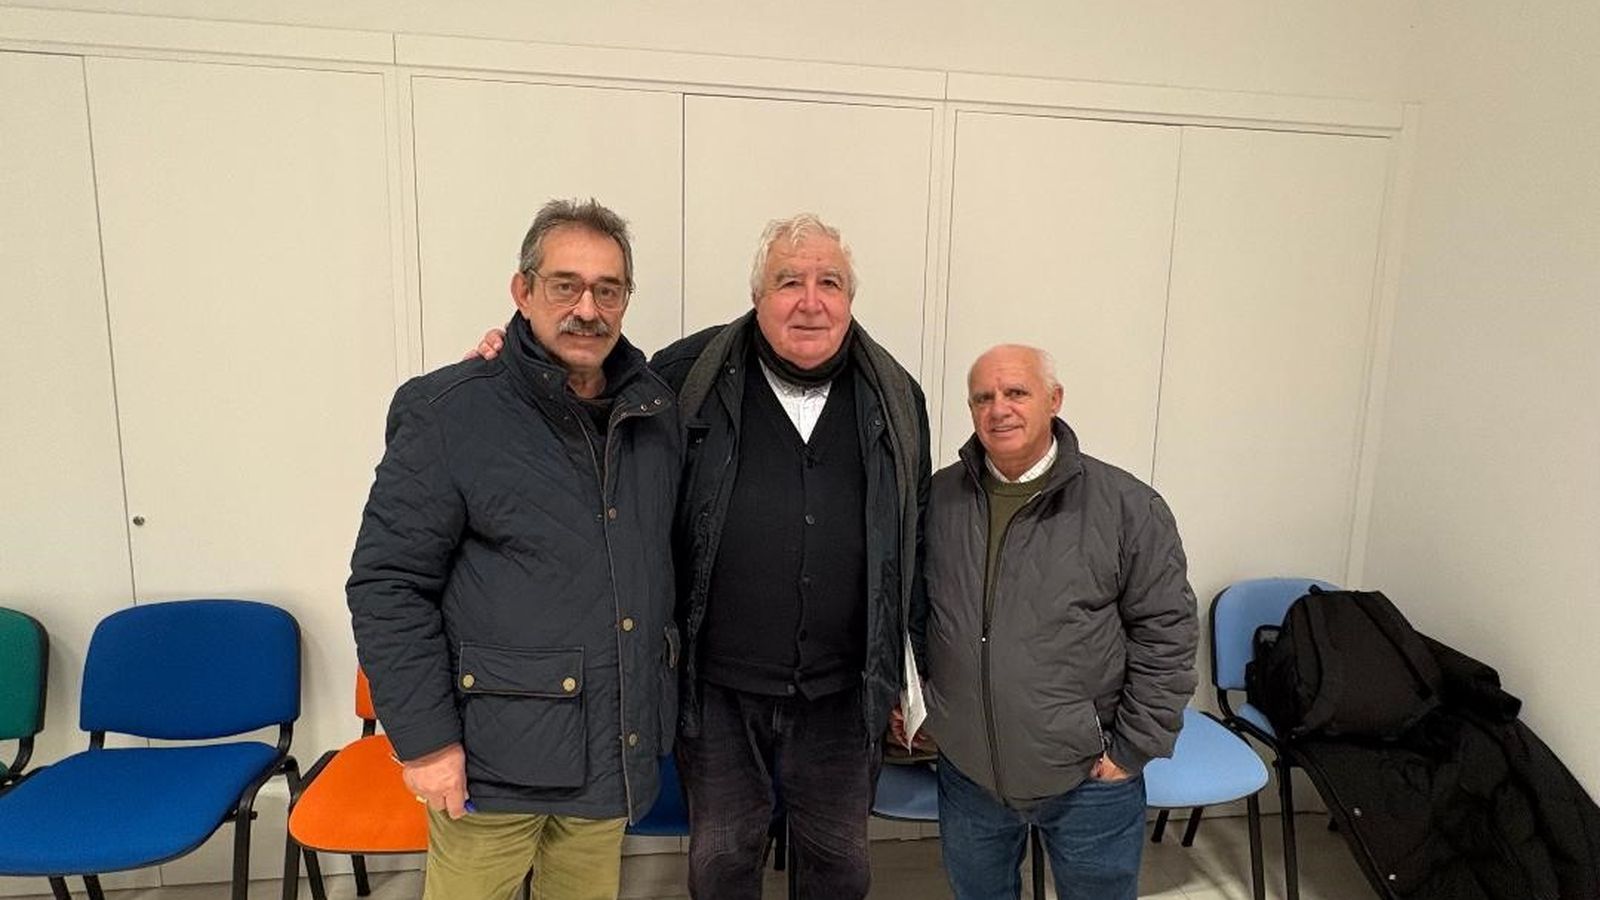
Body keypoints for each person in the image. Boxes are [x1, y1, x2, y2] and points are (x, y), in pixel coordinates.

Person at [475, 212, 930, 900]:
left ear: (849, 298)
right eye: (789, 281)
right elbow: (592, 432)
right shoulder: (683, 377)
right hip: (715, 685)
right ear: (757, 296)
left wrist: (907, 676)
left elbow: (914, 541)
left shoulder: (897, 397)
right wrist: (507, 371)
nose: (811, 300)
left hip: (845, 691)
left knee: (840, 866)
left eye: (829, 282)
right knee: (720, 861)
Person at [348, 199, 681, 900]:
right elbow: (387, 584)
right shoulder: (451, 412)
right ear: (522, 291)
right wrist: (427, 742)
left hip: (606, 755)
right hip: (490, 769)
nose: (587, 308)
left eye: (608, 289)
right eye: (565, 285)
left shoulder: (653, 413)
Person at [912, 343, 1198, 900]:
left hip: (1089, 779)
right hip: (968, 774)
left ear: (1054, 400)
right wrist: (921, 704)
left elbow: (1167, 635)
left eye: (1017, 392)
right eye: (983, 397)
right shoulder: (937, 500)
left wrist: (1130, 750)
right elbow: (917, 616)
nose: (999, 409)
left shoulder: (1127, 506)